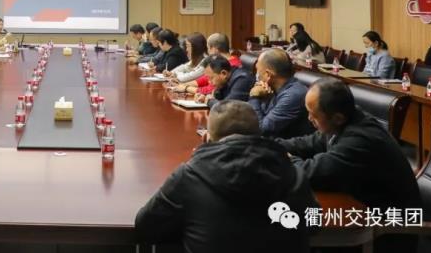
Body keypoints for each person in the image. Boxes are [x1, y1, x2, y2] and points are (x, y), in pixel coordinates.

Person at [135, 100, 315, 253]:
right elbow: (314, 225)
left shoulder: (189, 175)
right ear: (259, 135)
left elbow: (146, 227)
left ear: (207, 138)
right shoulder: (294, 174)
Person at [277, 78, 420, 253]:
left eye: (313, 115)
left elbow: (311, 173)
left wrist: (288, 159)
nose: (309, 119)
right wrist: (270, 145)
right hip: (359, 210)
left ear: (338, 118)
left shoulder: (360, 139)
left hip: (388, 231)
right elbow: (308, 143)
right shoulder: (344, 119)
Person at [249, 49, 312, 138]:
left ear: (268, 75)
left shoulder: (293, 95)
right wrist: (262, 98)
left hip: (286, 145)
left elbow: (261, 129)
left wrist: (254, 97)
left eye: (257, 70)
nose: (256, 74)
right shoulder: (272, 89)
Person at [177, 33, 241, 96]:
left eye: (208, 48)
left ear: (214, 49)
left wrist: (186, 88)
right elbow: (205, 79)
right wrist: (183, 85)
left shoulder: (232, 66)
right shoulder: (222, 62)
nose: (208, 53)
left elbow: (211, 90)